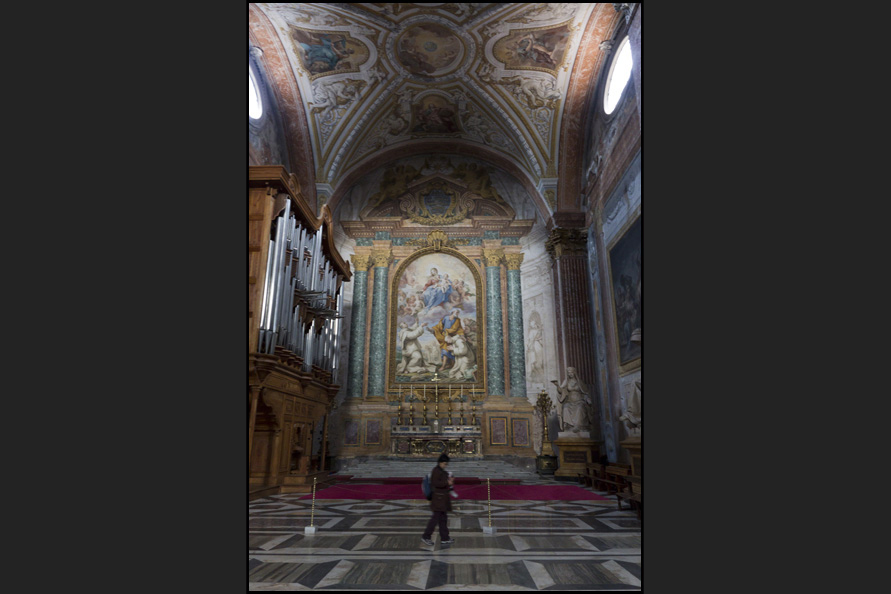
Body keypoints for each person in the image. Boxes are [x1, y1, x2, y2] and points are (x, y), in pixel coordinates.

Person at [421, 453, 456, 547]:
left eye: (446, 464)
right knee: (435, 519)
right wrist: (447, 482)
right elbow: (436, 483)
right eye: (444, 464)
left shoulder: (441, 471)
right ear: (440, 462)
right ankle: (426, 536)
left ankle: (445, 538)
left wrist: (449, 481)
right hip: (438, 499)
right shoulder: (436, 471)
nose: (445, 465)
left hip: (442, 498)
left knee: (443, 519)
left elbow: (444, 481)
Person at [551, 367, 592, 434]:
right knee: (565, 408)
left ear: (574, 373)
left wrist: (588, 399)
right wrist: (557, 385)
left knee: (580, 408)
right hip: (570, 401)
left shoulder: (579, 382)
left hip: (579, 401)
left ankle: (578, 426)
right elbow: (561, 391)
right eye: (569, 373)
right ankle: (568, 426)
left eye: (571, 372)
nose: (570, 374)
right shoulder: (566, 382)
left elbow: (585, 392)